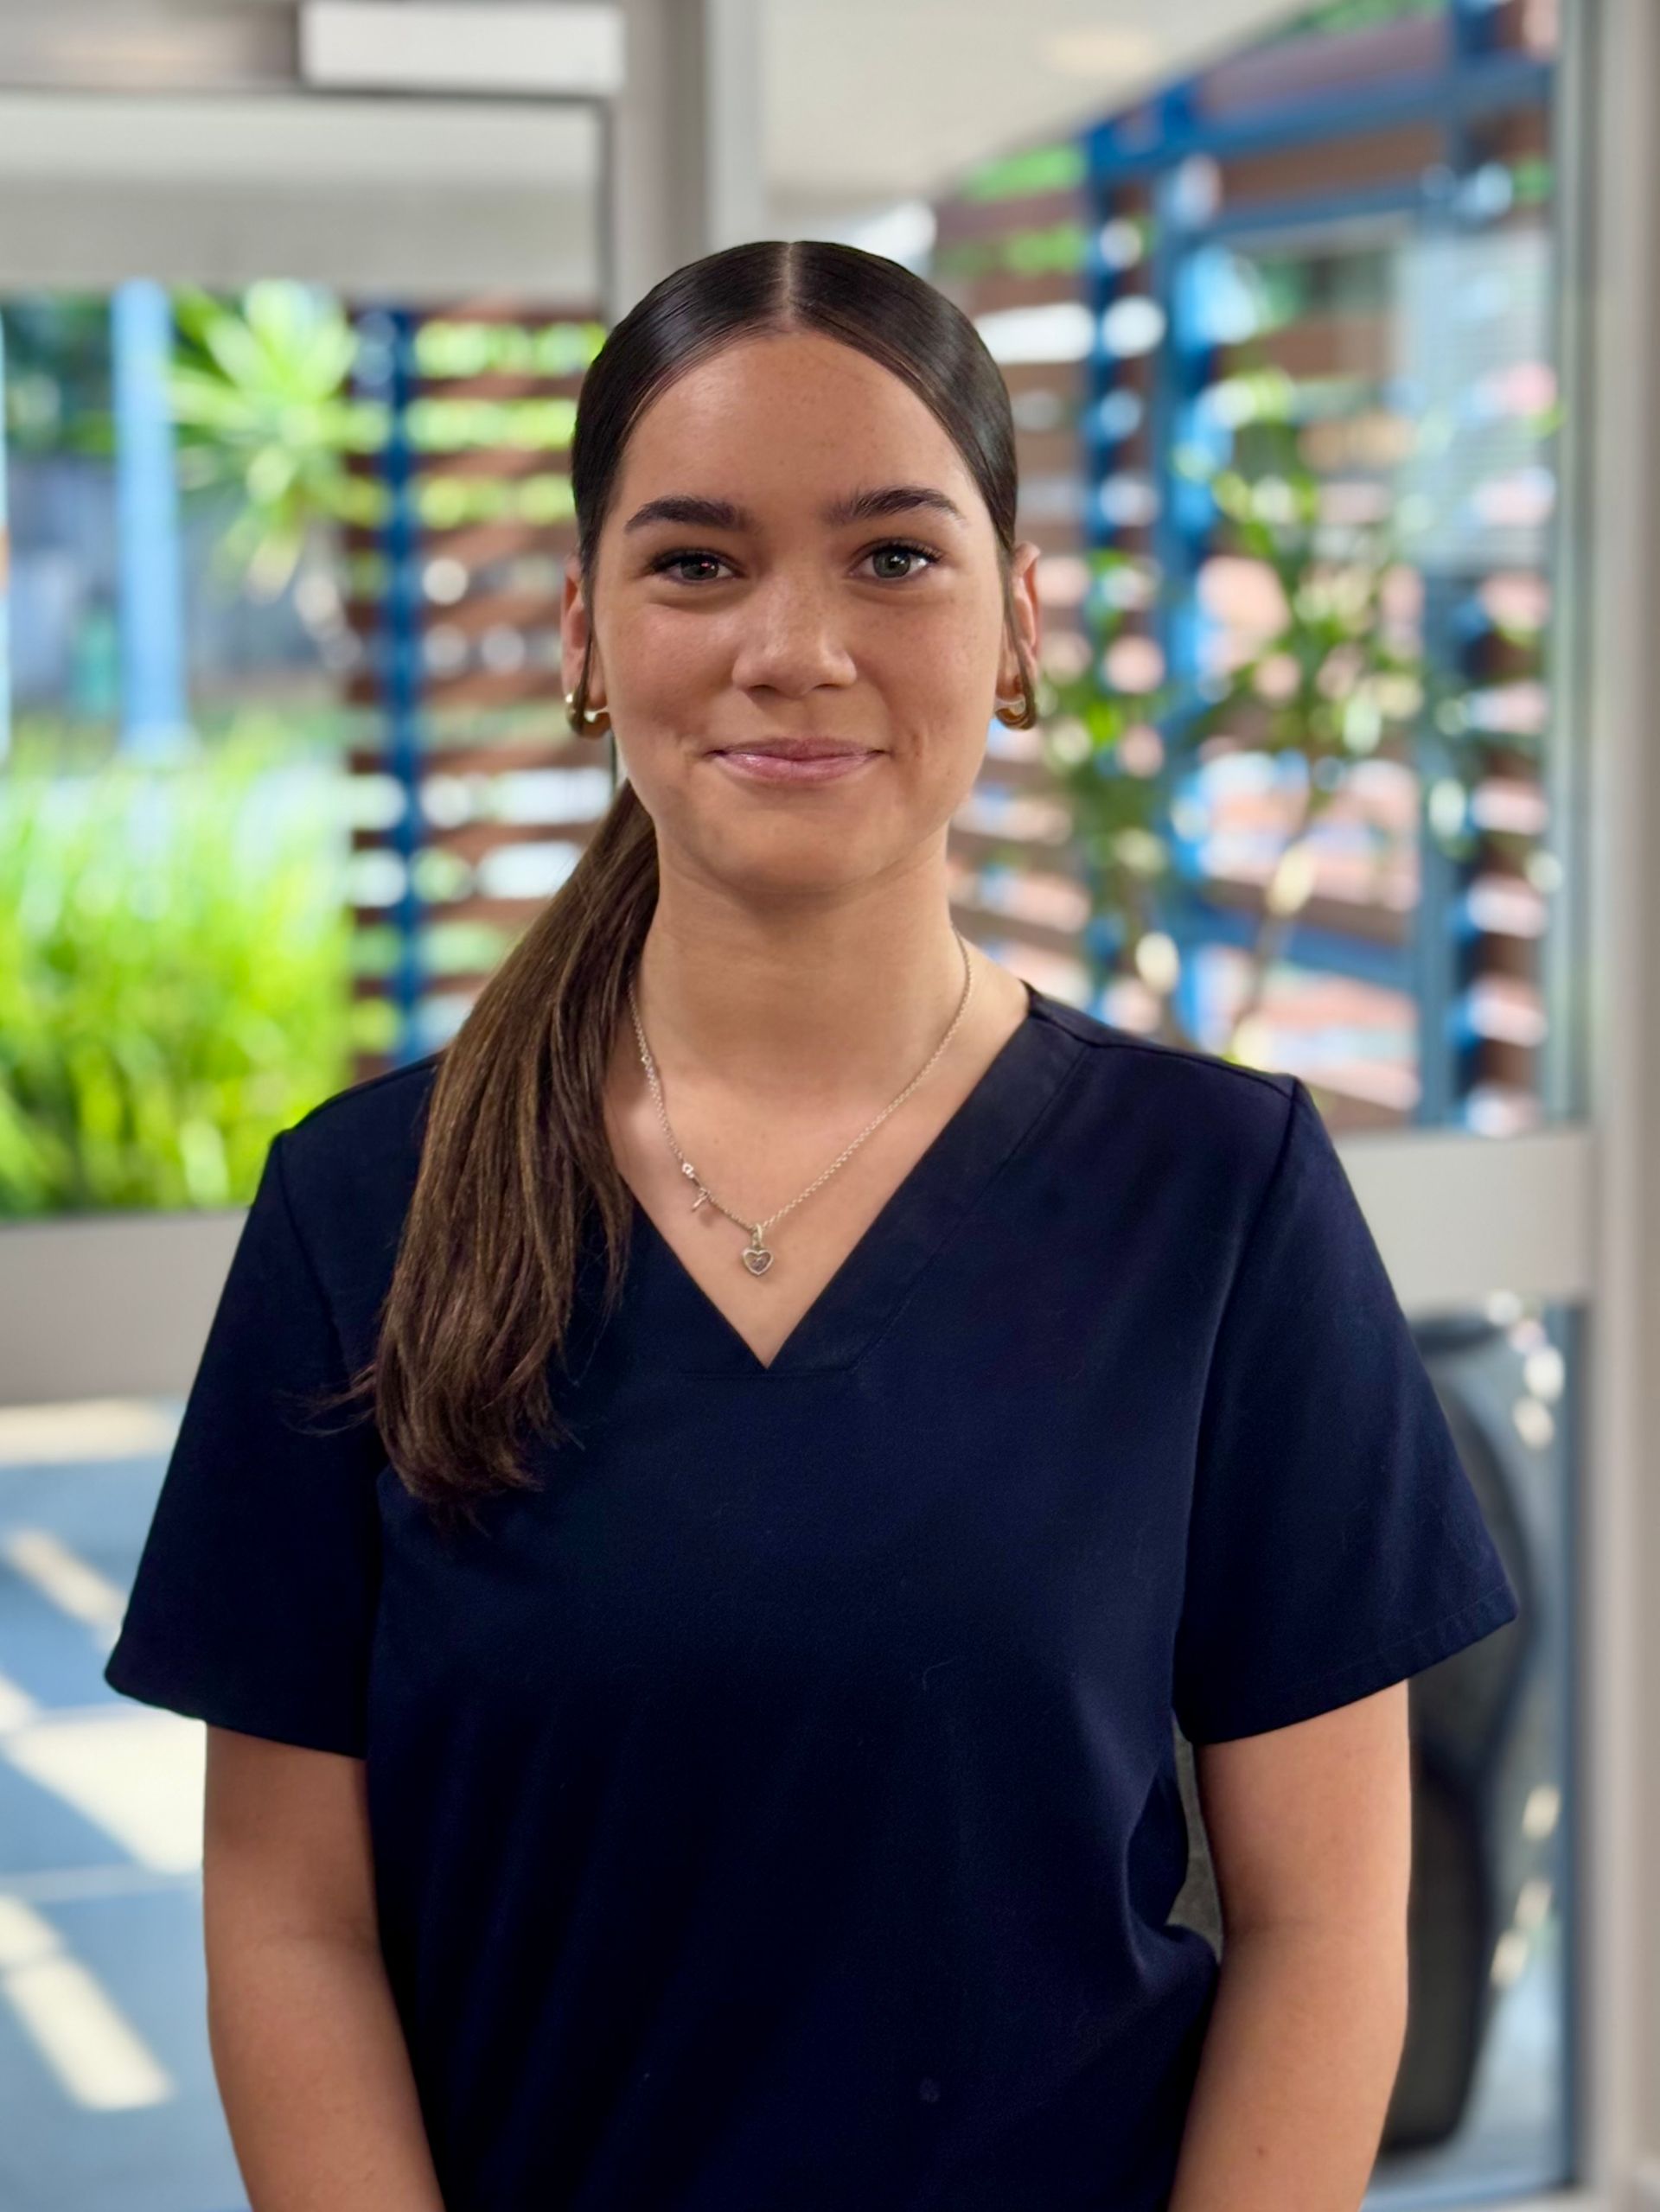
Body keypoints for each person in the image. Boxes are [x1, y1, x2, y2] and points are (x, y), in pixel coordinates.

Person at [105, 237, 1520, 2212]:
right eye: (696, 560)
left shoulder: (1221, 1200)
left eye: (893, 556)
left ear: (1018, 623)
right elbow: (289, 1922)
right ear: (589, 631)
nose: (796, 645)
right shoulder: (372, 1212)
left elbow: (1330, 1923)